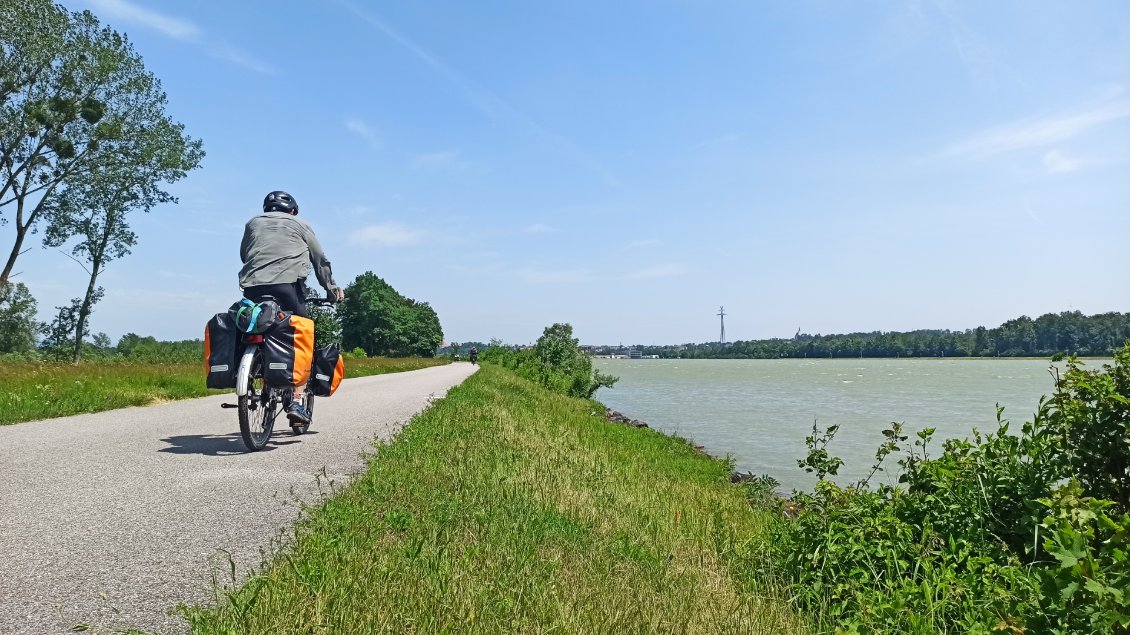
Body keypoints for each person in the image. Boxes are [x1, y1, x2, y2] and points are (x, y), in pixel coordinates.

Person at [239, 190, 343, 425]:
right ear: (293, 211)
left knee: (256, 325)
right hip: (287, 289)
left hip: (252, 288)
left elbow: (245, 254)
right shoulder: (300, 224)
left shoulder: (252, 223)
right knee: (301, 336)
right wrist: (331, 290)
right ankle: (296, 400)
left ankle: (254, 369)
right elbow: (320, 261)